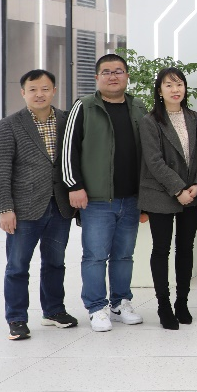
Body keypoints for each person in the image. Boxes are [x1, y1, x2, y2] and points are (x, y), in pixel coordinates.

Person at [62, 53, 147, 332]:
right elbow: (69, 149)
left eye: (118, 71)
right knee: (95, 256)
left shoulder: (138, 107)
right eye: (107, 72)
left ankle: (120, 303)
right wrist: (74, 185)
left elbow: (148, 152)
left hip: (131, 198)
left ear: (127, 76)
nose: (113, 76)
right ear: (97, 77)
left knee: (124, 256)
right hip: (96, 199)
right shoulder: (84, 106)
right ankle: (96, 307)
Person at [0, 69, 76, 340]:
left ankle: (54, 311)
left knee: (55, 263)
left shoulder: (66, 120)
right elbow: (0, 169)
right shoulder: (10, 124)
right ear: (23, 93)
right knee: (18, 266)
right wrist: (5, 208)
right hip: (24, 208)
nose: (39, 94)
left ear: (54, 90)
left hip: (60, 205)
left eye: (45, 89)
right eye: (33, 89)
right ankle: (16, 318)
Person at [138, 67, 197, 330]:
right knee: (161, 249)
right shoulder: (150, 121)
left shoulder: (196, 118)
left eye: (179, 84)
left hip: (193, 193)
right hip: (161, 193)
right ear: (159, 90)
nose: (175, 90)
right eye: (169, 85)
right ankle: (163, 305)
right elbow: (154, 161)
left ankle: (182, 303)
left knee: (185, 249)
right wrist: (178, 190)